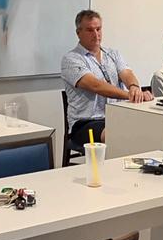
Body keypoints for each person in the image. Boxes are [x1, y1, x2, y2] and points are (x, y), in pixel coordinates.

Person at [61, 10, 153, 146]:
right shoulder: (71, 59)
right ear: (78, 33)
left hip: (117, 116)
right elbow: (96, 86)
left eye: (98, 29)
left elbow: (127, 73)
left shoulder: (112, 54)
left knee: (155, 127)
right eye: (90, 30)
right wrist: (130, 95)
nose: (96, 34)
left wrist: (134, 88)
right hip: (85, 123)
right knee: (118, 135)